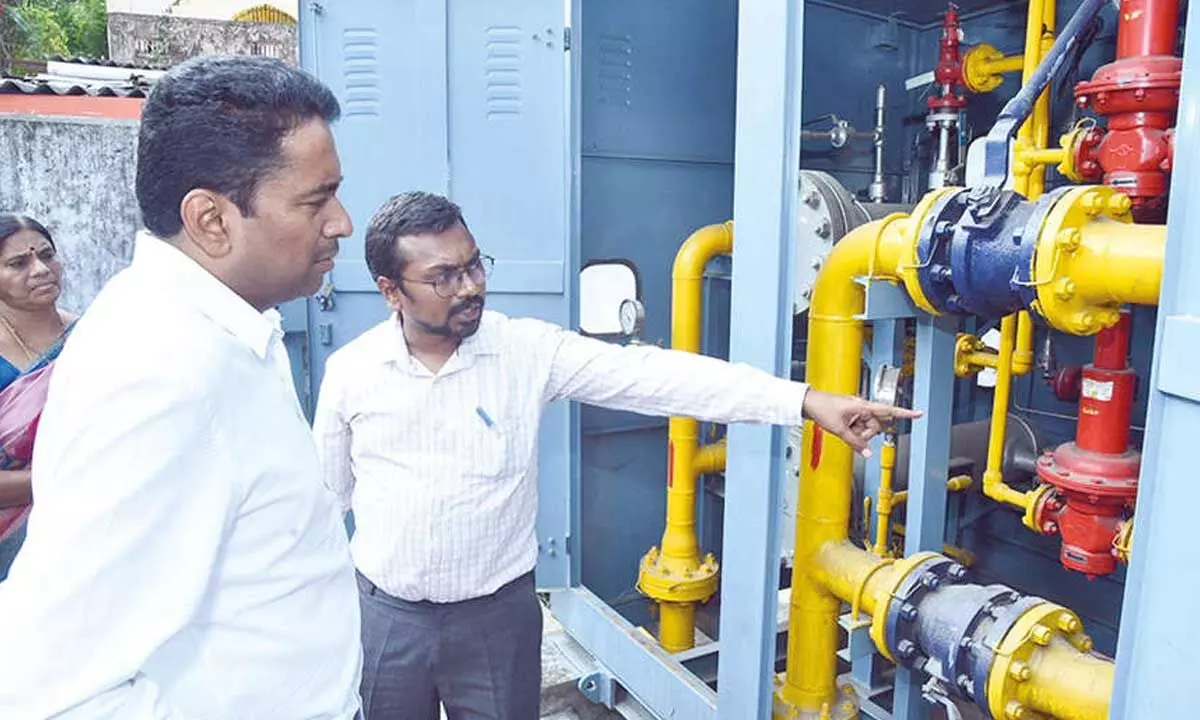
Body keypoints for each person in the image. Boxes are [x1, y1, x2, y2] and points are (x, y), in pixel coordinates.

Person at [314, 191, 920, 720]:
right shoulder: (353, 374)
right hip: (389, 622)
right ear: (391, 291)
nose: (470, 286)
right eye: (444, 277)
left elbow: (655, 376)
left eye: (474, 265)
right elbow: (324, 502)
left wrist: (804, 400)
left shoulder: (524, 352)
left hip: (496, 623)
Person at [0, 56, 362, 718]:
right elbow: (46, 691)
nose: (342, 222)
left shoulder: (227, 327)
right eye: (317, 200)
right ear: (211, 220)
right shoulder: (159, 375)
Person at [0, 214, 77, 580]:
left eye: (47, 255)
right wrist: (68, 479)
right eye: (18, 263)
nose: (41, 270)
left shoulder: (92, 335)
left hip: (87, 527)